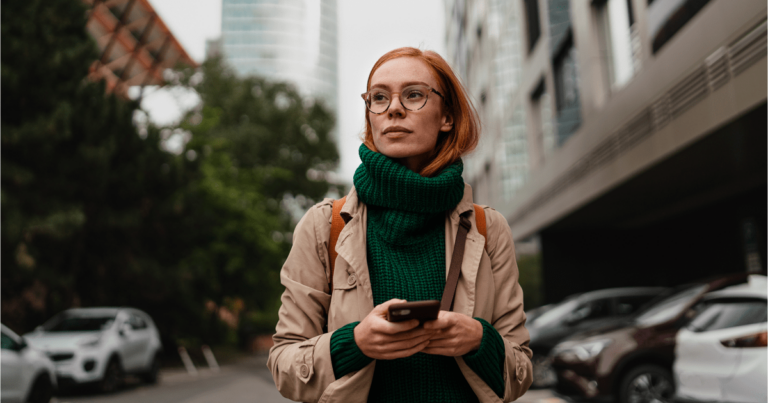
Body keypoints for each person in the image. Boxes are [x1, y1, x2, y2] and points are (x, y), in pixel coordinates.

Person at [267, 47, 533, 403]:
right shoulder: (323, 225)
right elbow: (285, 367)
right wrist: (356, 342)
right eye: (379, 97)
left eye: (414, 95)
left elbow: (520, 374)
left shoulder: (488, 228)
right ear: (371, 116)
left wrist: (478, 341)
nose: (393, 108)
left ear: (447, 118)